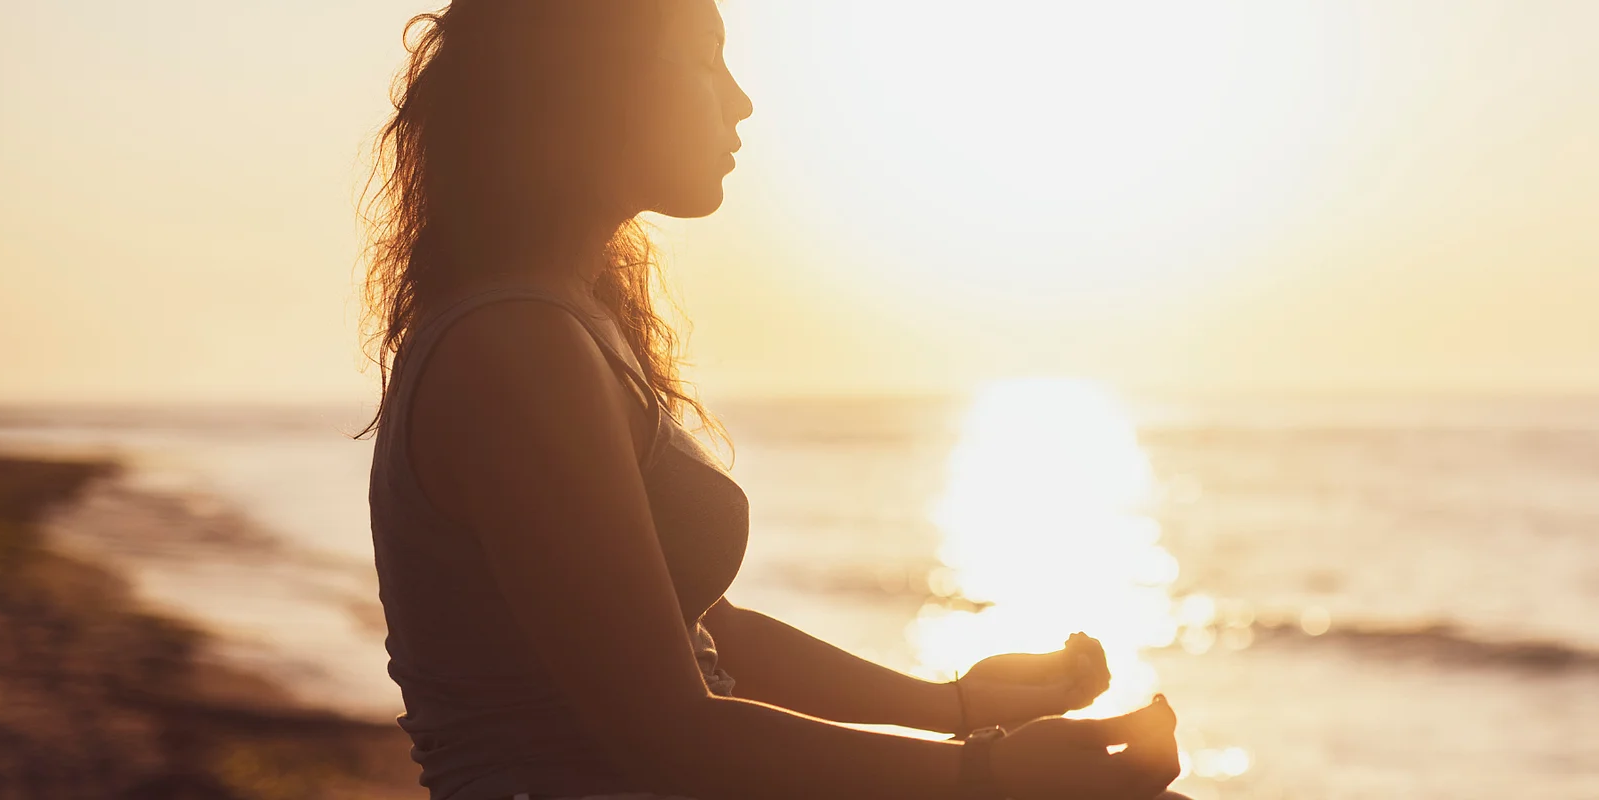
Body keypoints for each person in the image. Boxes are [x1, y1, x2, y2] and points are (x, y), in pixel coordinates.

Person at [358, 2, 1190, 799]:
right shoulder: (519, 348)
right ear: (595, 77)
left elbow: (716, 640)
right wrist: (989, 777)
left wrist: (959, 709)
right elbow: (668, 733)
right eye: (703, 58)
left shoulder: (563, 321)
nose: (742, 99)